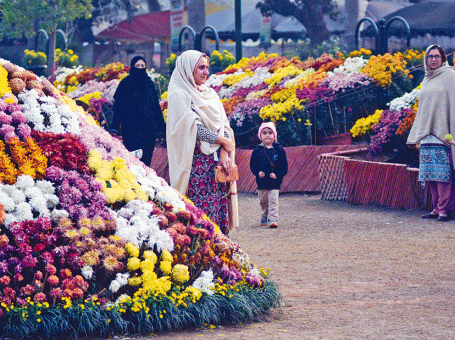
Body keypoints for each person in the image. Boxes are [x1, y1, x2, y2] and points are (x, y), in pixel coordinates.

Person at [166, 50, 236, 235]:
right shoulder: (178, 95)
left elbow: (224, 126)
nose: (206, 72)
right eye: (201, 68)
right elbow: (193, 129)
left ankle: (220, 253)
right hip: (195, 167)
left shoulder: (210, 94)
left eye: (207, 67)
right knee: (199, 216)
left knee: (218, 213)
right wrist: (221, 141)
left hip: (217, 166)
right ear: (188, 69)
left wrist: (223, 152)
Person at [407, 44, 455, 222]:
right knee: (430, 175)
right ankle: (436, 208)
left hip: (443, 134)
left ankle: (444, 210)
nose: (433, 59)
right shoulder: (427, 78)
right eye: (430, 56)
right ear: (426, 59)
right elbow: (423, 111)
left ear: (443, 58)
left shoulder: (450, 76)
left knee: (443, 174)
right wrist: (415, 135)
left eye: (437, 56)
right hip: (427, 135)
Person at [111, 56, 166, 166]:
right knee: (134, 161)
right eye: (137, 66)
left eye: (143, 66)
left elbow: (156, 108)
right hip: (131, 130)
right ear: (132, 67)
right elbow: (118, 108)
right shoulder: (125, 84)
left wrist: (163, 129)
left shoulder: (150, 84)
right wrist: (115, 127)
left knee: (146, 161)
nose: (140, 68)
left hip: (148, 130)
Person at [250, 122, 288, 228]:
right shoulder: (257, 150)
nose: (267, 135)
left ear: (274, 136)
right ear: (260, 136)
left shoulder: (279, 149)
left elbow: (284, 167)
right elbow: (253, 165)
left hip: (275, 182)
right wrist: (258, 172)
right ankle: (265, 214)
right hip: (262, 182)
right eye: (265, 133)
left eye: (270, 133)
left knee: (273, 201)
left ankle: (273, 219)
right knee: (264, 201)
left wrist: (277, 174)